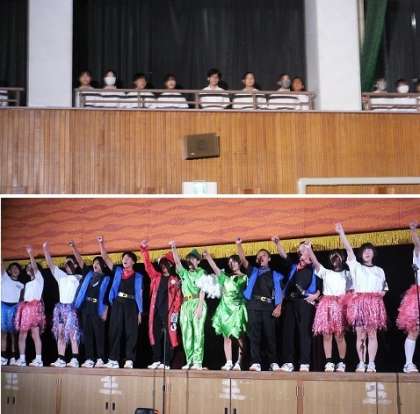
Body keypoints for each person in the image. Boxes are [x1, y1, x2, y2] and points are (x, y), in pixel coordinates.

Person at [335, 223, 388, 373]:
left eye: (370, 250)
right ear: (361, 254)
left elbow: (384, 288)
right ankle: (361, 362)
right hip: (359, 304)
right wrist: (341, 233)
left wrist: (378, 297)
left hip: (374, 305)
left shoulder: (379, 270)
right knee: (360, 334)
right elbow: (348, 249)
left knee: (372, 334)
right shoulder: (356, 267)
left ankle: (371, 363)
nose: (367, 253)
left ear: (373, 254)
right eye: (364, 251)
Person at [236, 238, 283, 372]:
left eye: (264, 255)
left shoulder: (275, 275)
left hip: (268, 307)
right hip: (253, 306)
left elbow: (279, 291)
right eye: (259, 256)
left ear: (269, 258)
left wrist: (279, 306)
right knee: (254, 336)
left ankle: (273, 362)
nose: (261, 257)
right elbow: (243, 260)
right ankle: (255, 362)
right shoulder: (253, 271)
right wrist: (239, 244)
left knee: (270, 336)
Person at [273, 239, 320, 372]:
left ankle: (305, 362)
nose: (300, 250)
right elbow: (284, 256)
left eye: (303, 248)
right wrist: (277, 243)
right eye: (300, 249)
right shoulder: (294, 266)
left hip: (305, 303)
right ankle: (288, 362)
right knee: (288, 332)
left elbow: (322, 284)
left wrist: (316, 295)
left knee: (304, 333)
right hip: (290, 302)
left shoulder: (314, 266)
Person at [98, 236, 143, 369]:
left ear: (133, 261)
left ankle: (129, 359)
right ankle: (113, 359)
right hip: (118, 303)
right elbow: (105, 258)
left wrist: (140, 312)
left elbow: (140, 295)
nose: (125, 260)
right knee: (115, 331)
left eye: (128, 258)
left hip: (131, 304)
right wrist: (101, 243)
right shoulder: (118, 271)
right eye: (124, 258)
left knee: (131, 332)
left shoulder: (138, 276)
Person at [306, 245, 351, 372]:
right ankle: (329, 362)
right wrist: (309, 249)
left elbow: (351, 290)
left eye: (337, 257)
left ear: (342, 259)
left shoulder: (347, 274)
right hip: (326, 305)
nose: (335, 260)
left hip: (340, 305)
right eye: (333, 258)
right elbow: (315, 262)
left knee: (340, 335)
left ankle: (341, 362)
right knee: (327, 335)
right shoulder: (326, 272)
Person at [139, 241, 182, 369]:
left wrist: (175, 311)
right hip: (156, 311)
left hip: (169, 312)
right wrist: (144, 250)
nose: (163, 267)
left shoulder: (175, 279)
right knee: (154, 334)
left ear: (170, 265)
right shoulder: (156, 277)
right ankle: (156, 360)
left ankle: (166, 362)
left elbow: (178, 297)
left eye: (165, 264)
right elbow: (147, 266)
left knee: (170, 337)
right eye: (162, 264)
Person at [203, 250, 247, 370]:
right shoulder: (225, 277)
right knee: (226, 336)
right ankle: (229, 361)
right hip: (225, 309)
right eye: (230, 262)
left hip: (238, 308)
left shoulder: (245, 277)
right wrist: (208, 257)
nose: (232, 264)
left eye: (234, 262)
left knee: (239, 336)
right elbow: (215, 268)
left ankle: (239, 362)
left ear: (239, 263)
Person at [71, 240, 110, 369]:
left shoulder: (106, 279)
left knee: (99, 334)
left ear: (103, 265)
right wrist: (73, 247)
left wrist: (105, 311)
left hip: (97, 308)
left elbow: (107, 297)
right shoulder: (89, 275)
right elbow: (80, 261)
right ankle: (89, 359)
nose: (95, 265)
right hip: (86, 307)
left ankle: (100, 358)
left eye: (98, 263)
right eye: (94, 263)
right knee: (87, 334)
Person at [42, 242, 82, 368]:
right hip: (60, 308)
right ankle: (61, 358)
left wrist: (73, 248)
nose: (66, 264)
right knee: (60, 333)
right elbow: (50, 265)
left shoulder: (78, 277)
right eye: (65, 263)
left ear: (75, 264)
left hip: (71, 308)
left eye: (69, 262)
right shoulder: (61, 276)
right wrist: (45, 250)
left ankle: (75, 359)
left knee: (72, 333)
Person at [169, 241, 207, 370]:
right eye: (189, 258)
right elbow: (177, 262)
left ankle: (197, 361)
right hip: (185, 304)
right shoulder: (184, 273)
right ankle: (189, 360)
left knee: (198, 332)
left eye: (193, 258)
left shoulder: (202, 272)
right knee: (186, 333)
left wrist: (200, 306)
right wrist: (173, 247)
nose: (190, 261)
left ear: (198, 261)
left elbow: (202, 290)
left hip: (197, 302)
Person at [14, 246, 45, 367]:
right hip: (26, 309)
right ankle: (22, 359)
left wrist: (30, 253)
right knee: (22, 335)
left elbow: (35, 267)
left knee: (35, 334)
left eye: (30, 266)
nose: (28, 268)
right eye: (27, 267)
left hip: (34, 308)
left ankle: (39, 359)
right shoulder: (27, 283)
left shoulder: (39, 279)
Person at [396, 222, 420, 373]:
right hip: (418, 295)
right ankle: (408, 363)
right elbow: (417, 245)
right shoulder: (418, 255)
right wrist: (413, 230)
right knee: (414, 330)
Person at [1, 262, 24, 366]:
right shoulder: (5, 278)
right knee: (3, 333)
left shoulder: (21, 285)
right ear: (9, 271)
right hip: (3, 306)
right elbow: (1, 264)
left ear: (19, 271)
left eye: (17, 268)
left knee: (14, 334)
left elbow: (22, 299)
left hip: (15, 308)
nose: (15, 270)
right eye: (13, 268)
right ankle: (3, 357)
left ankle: (14, 357)